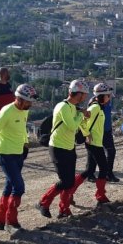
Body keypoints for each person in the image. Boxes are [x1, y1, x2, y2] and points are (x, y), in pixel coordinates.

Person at [36, 80, 89, 219]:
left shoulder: (73, 107)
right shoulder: (63, 107)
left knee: (70, 181)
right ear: (78, 94)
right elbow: (72, 126)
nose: (85, 97)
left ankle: (63, 210)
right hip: (58, 148)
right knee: (65, 181)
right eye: (84, 94)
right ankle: (43, 202)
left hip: (69, 147)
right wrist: (81, 115)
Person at [0, 83, 36, 233]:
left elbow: (22, 128)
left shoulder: (24, 110)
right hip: (5, 154)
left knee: (9, 187)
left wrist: (26, 144)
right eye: (28, 101)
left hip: (18, 153)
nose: (30, 104)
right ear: (19, 99)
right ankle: (11, 221)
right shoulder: (7, 111)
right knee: (19, 187)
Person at [79, 83, 113, 207]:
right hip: (93, 143)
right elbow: (82, 122)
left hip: (96, 142)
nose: (109, 98)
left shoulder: (99, 107)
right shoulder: (95, 108)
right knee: (104, 168)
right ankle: (100, 196)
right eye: (108, 96)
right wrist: (87, 134)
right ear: (102, 96)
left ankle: (69, 192)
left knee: (89, 170)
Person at [99, 88, 119, 183]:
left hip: (107, 131)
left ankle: (108, 173)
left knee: (111, 152)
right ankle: (106, 174)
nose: (110, 97)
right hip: (100, 132)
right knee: (109, 153)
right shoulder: (97, 104)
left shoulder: (108, 103)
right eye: (109, 95)